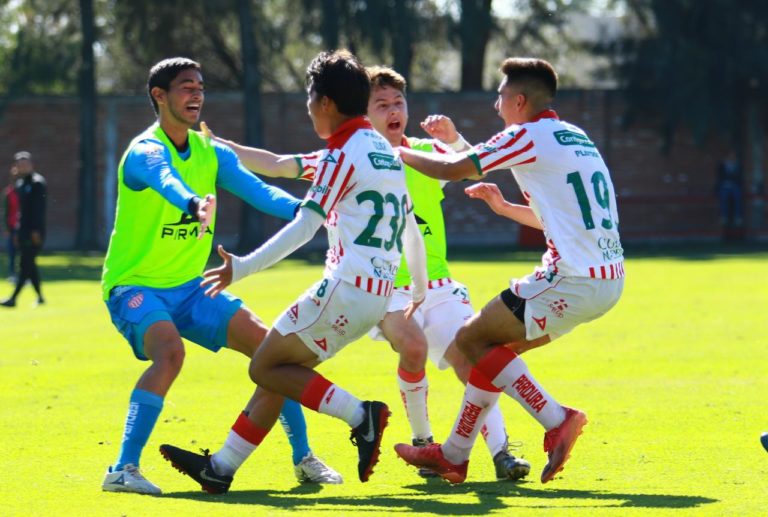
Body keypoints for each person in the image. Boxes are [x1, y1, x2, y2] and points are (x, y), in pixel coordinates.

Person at [158, 49, 428, 494]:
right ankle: (220, 469)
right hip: (375, 294)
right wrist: (415, 285)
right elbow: (410, 229)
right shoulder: (382, 150)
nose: (306, 107)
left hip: (345, 290)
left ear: (324, 102)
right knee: (284, 371)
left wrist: (242, 267)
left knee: (265, 366)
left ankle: (362, 416)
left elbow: (305, 226)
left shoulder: (344, 155)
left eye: (309, 97)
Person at [100, 57, 340, 496]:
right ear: (159, 96)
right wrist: (192, 203)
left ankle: (304, 458)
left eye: (200, 87)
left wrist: (311, 213)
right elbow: (164, 179)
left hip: (193, 288)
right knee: (169, 354)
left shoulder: (212, 151)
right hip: (134, 285)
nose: (196, 95)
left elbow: (260, 191)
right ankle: (122, 469)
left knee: (272, 354)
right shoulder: (145, 151)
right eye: (186, 87)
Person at [392, 57, 625, 484]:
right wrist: (502, 207)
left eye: (500, 97)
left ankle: (557, 419)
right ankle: (454, 455)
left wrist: (391, 149)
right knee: (497, 355)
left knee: (470, 339)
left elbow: (449, 168)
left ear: (519, 101)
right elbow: (563, 218)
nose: (496, 107)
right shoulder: (576, 136)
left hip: (571, 278)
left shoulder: (526, 135)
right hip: (608, 280)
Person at [363, 65, 530, 481]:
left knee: (471, 362)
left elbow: (474, 167)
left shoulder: (422, 150)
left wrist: (453, 139)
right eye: (381, 104)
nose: (393, 110)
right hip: (387, 290)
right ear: (363, 114)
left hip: (437, 286)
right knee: (414, 349)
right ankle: (424, 445)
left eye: (398, 102)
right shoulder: (356, 157)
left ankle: (502, 453)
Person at [1, 152, 46, 307]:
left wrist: (36, 231)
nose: (23, 167)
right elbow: (20, 211)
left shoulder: (38, 183)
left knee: (25, 264)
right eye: (20, 165)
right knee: (30, 264)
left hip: (34, 232)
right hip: (22, 231)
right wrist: (17, 231)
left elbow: (38, 211)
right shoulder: (20, 184)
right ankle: (40, 297)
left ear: (31, 165)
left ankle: (13, 298)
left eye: (25, 164)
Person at [715, 149, 744, 237]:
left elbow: (739, 176)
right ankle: (724, 217)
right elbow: (720, 176)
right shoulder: (722, 164)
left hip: (734, 185)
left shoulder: (737, 165)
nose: (732, 157)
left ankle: (737, 217)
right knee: (724, 198)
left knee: (738, 197)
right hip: (725, 185)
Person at [2, 165, 19, 283]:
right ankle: (12, 274)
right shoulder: (9, 192)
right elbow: (5, 211)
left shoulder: (25, 190)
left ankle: (24, 274)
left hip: (24, 226)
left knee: (24, 252)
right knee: (12, 251)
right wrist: (6, 228)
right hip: (12, 225)